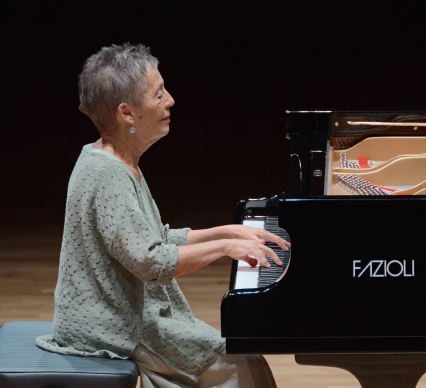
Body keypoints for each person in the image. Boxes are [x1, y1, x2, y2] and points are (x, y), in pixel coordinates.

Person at [36, 43, 290, 388]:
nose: (170, 100)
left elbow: (151, 237)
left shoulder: (112, 160)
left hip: (119, 317)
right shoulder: (110, 175)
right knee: (241, 367)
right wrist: (225, 248)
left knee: (242, 358)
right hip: (113, 327)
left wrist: (223, 232)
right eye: (158, 95)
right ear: (127, 113)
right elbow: (151, 262)